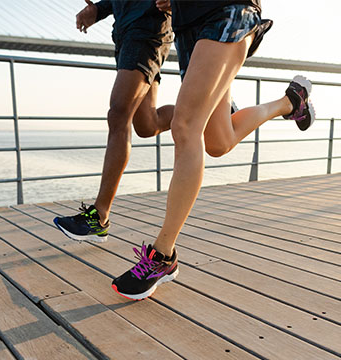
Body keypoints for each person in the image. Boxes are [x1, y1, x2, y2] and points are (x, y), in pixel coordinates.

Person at [111, 0, 315, 300]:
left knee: (184, 126)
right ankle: (291, 102)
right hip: (188, 27)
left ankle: (162, 256)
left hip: (225, 10)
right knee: (219, 141)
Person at [53, 0, 175, 242]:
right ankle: (215, 111)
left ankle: (99, 216)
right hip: (124, 33)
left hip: (148, 29)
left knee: (119, 113)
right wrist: (98, 10)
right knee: (147, 124)